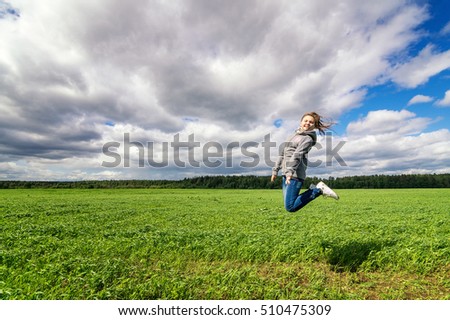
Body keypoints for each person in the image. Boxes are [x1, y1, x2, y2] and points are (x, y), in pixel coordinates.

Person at [271, 112, 339, 212]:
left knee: (290, 207)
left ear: (314, 126)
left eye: (311, 122)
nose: (307, 123)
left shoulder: (307, 139)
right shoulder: (292, 136)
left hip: (295, 175)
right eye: (305, 121)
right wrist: (275, 170)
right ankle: (315, 189)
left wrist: (289, 172)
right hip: (286, 174)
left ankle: (318, 190)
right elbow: (282, 153)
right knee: (289, 205)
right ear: (301, 122)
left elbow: (297, 155)